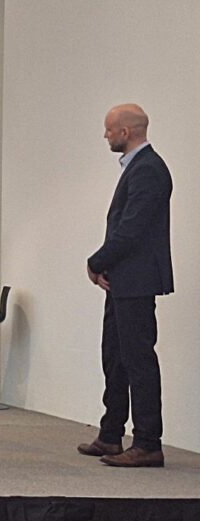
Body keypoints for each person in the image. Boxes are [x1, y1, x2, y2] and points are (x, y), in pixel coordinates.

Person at [78, 104, 172, 468]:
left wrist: (96, 261)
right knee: (115, 358)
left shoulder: (148, 169)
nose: (105, 135)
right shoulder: (138, 167)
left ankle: (148, 442)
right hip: (121, 281)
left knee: (138, 361)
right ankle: (111, 434)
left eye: (109, 129)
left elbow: (131, 229)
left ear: (126, 132)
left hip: (136, 280)